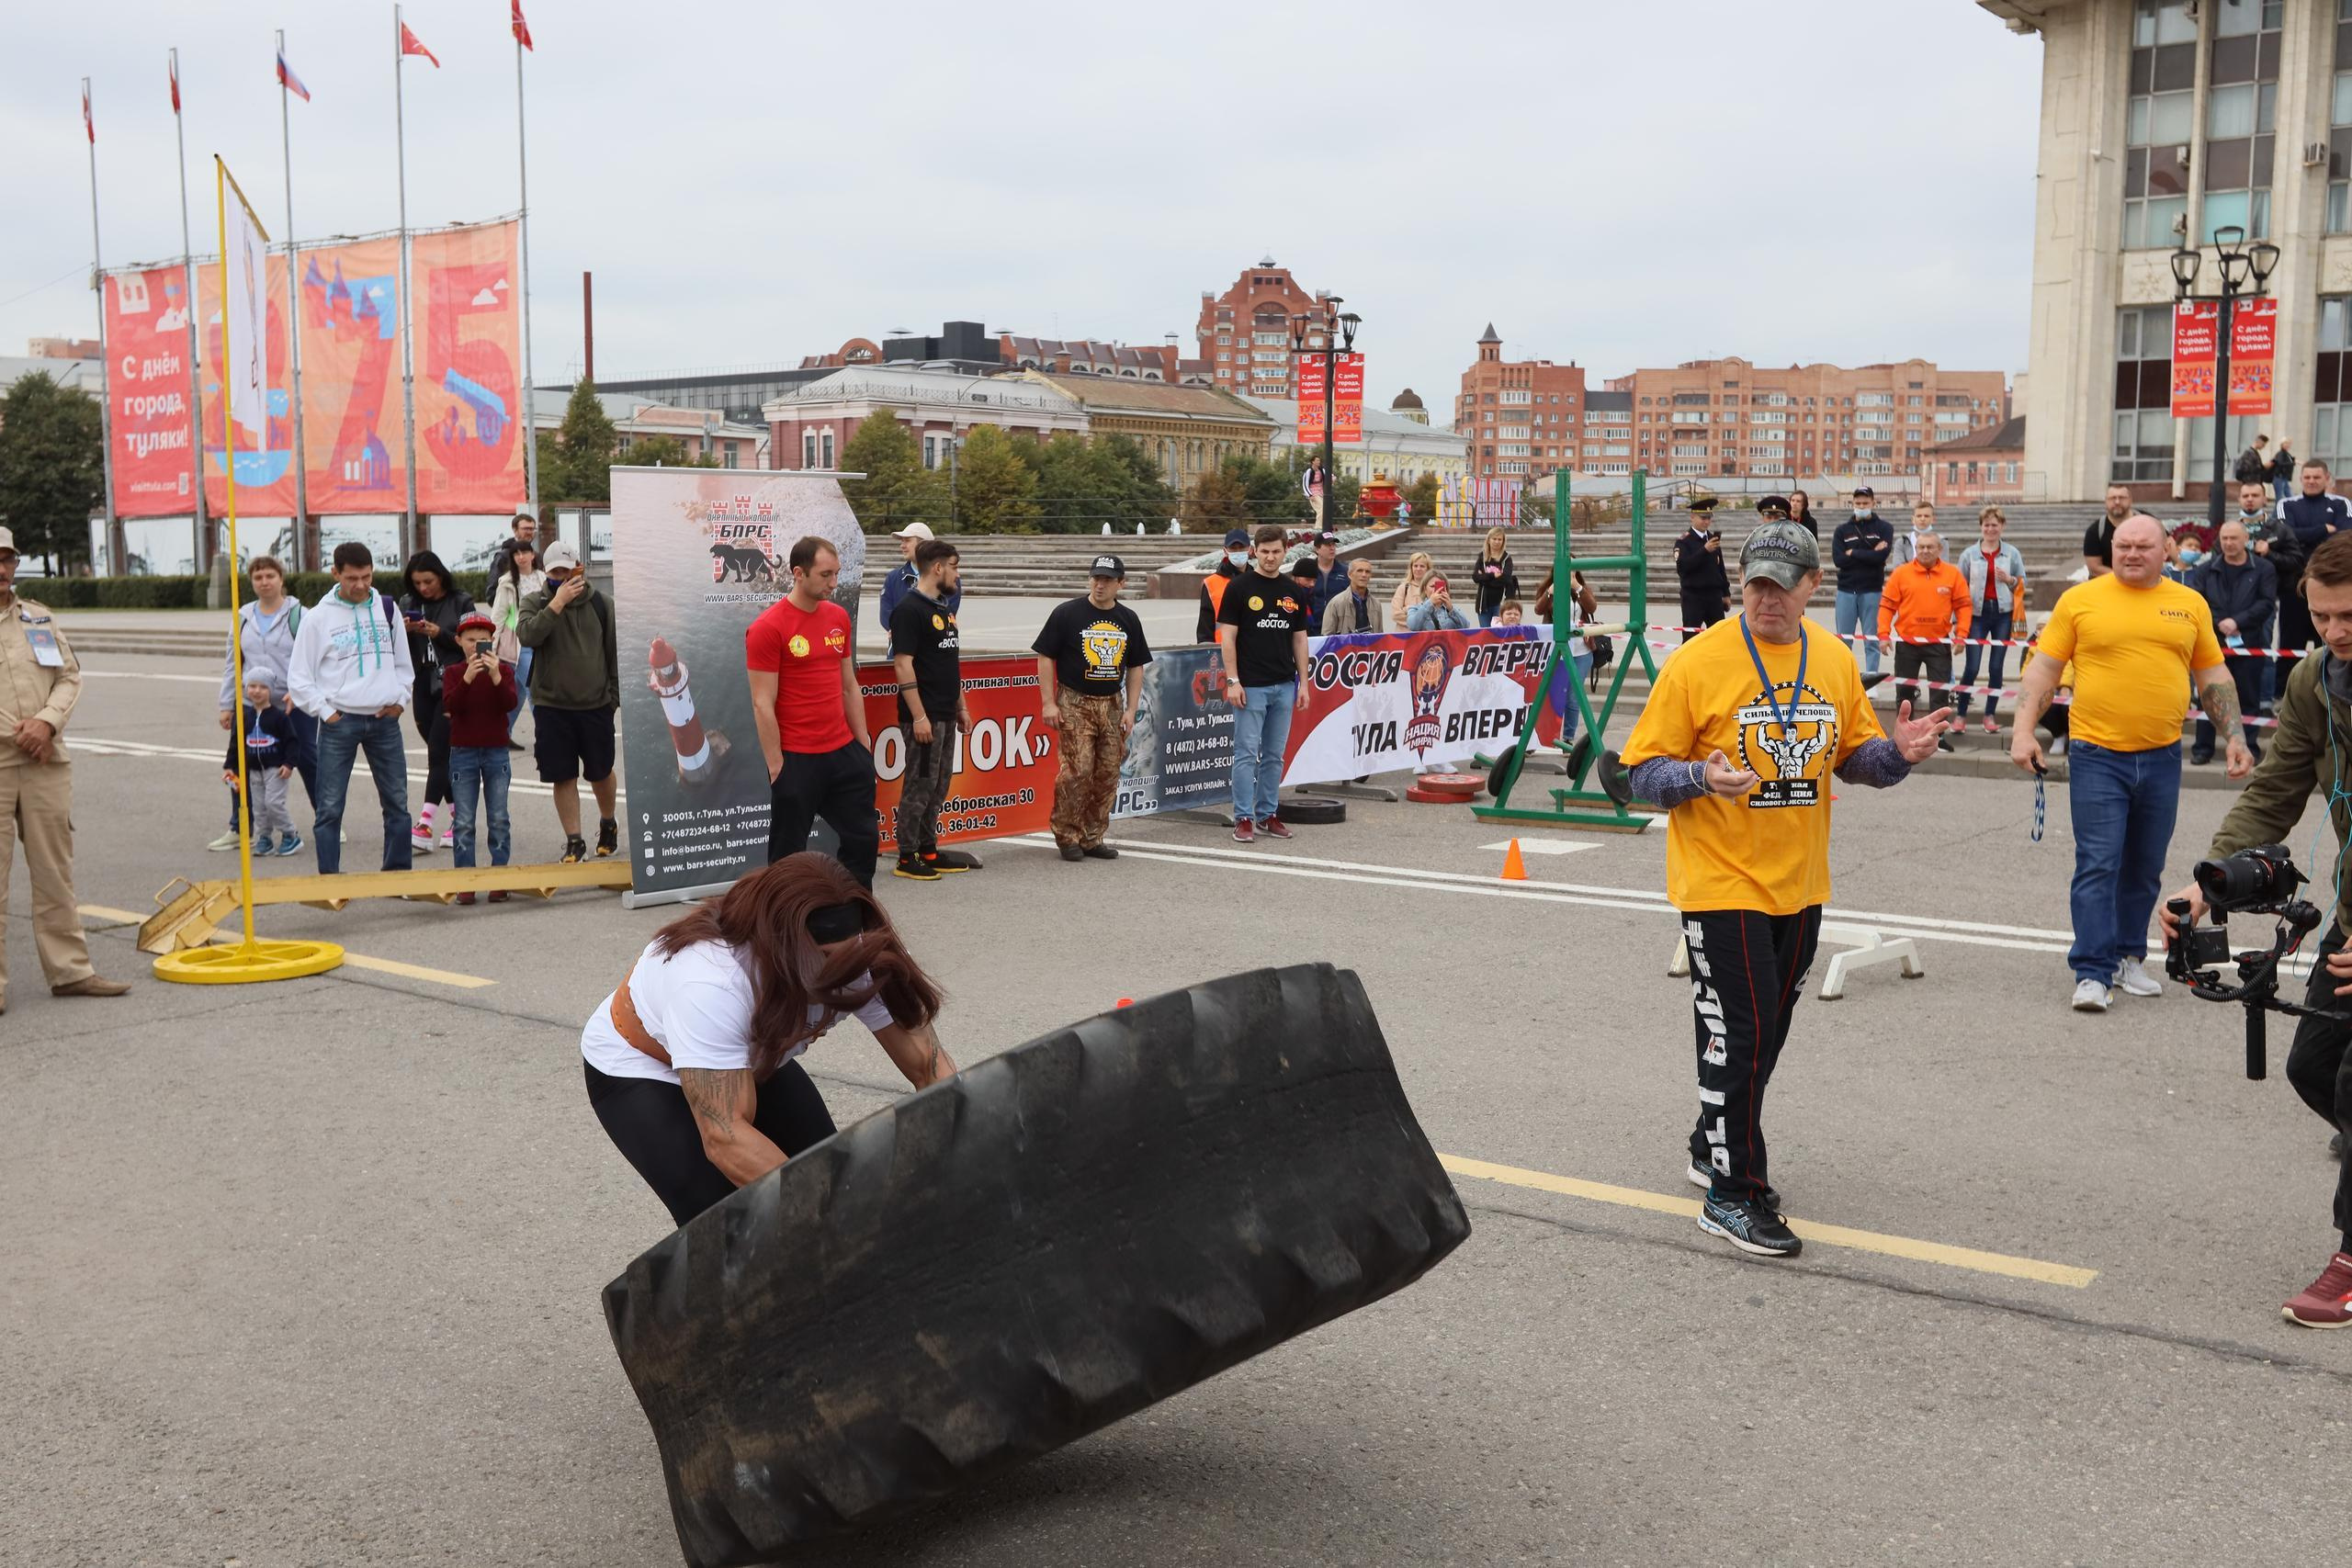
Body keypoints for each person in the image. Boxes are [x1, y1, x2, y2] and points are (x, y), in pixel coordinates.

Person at [1617, 521, 1948, 1259]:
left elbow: (1854, 759)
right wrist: (1703, 776)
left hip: (1799, 882)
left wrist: (1897, 754)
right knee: (1745, 1032)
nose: (1768, 597)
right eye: (1756, 582)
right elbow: (1640, 774)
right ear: (1741, 584)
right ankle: (1731, 1195)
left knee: (1763, 1034)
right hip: (1719, 879)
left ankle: (1712, 1141)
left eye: (1782, 582)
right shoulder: (1697, 662)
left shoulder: (1831, 658)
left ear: (1811, 587)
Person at [2159, 533, 2352, 1325]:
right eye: (2322, 615)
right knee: (2315, 1067)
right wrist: (2208, 882)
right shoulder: (2316, 679)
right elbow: (2276, 788)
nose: (2336, 630)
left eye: (2350, 615)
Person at [580, 853, 955, 1226]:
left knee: (832, 1178)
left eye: (850, 957)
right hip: (641, 1069)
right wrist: (832, 1222)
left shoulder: (867, 955)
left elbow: (928, 1066)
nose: (841, 974)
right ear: (781, 950)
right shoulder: (713, 981)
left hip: (746, 1057)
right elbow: (726, 1135)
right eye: (823, 960)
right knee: (730, 1224)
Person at [2009, 514, 2246, 1013]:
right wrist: (2023, 731)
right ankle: (2092, 971)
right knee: (2099, 863)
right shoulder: (2080, 601)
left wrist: (2234, 737)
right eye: (2123, 546)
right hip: (2098, 755)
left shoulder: (2189, 604)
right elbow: (2044, 671)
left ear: (2167, 553)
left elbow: (2212, 674)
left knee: (2144, 866)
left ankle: (2127, 957)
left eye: (2143, 546)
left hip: (2162, 756)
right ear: (2111, 549)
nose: (2132, 554)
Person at [0, 526, 129, 1014]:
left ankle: (71, 971)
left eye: (7, 559)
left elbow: (68, 676)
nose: (1, 569)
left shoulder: (38, 617)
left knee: (55, 870)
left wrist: (47, 723)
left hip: (44, 759)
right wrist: (20, 729)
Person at [747, 536, 877, 885]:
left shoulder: (837, 617)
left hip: (843, 752)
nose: (834, 583)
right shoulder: (768, 627)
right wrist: (777, 766)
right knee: (788, 859)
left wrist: (862, 745)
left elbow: (849, 685)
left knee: (863, 841)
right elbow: (762, 702)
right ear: (798, 574)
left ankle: (856, 919)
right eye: (825, 575)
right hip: (798, 760)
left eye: (836, 574)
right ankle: (782, 930)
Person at [290, 542, 414, 876]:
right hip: (339, 721)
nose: (360, 585)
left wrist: (400, 701)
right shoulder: (317, 618)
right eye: (351, 578)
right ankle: (331, 880)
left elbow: (404, 665)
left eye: (366, 577)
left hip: (385, 720)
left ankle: (397, 874)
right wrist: (326, 711)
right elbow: (299, 677)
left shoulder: (387, 610)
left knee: (397, 804)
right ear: (335, 574)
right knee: (330, 807)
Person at [1034, 553, 1152, 863]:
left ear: (1121, 584)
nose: (1100, 585)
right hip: (1075, 700)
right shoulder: (1067, 613)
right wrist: (1048, 702)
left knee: (1107, 772)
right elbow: (1046, 656)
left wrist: (1131, 708)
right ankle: (1067, 835)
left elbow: (1136, 665)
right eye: (1096, 578)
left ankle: (1092, 836)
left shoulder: (1128, 619)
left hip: (1112, 703)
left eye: (1108, 580)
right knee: (1077, 770)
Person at [517, 539, 620, 864]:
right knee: (562, 775)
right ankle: (574, 840)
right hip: (551, 706)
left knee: (601, 772)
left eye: (566, 570)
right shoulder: (534, 602)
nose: (561, 577)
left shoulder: (602, 603)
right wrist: (556, 604)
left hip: (595, 705)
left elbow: (613, 653)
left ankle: (608, 822)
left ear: (579, 568)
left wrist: (612, 699)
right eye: (554, 572)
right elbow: (528, 636)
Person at [209, 555, 316, 852]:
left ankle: (327, 818)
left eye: (270, 576)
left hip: (293, 700)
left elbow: (312, 658)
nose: (265, 582)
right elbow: (233, 664)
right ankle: (240, 826)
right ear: (252, 583)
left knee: (308, 759)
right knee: (244, 763)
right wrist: (227, 704)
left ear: (282, 579)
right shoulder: (242, 618)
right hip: (253, 703)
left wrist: (301, 691)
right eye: (258, 577)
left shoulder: (300, 615)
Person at [1216, 524, 1315, 844]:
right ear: (1253, 552)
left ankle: (1267, 814)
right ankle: (1243, 817)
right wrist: (1233, 681)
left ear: (1286, 551)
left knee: (1274, 755)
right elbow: (1227, 638)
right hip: (1250, 686)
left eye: (1276, 551)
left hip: (1284, 685)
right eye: (1264, 551)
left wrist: (1303, 683)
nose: (1270, 557)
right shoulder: (1239, 588)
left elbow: (1300, 640)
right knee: (1246, 754)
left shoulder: (1293, 591)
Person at [887, 538, 971, 883]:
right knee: (919, 784)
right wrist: (919, 716)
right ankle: (906, 856)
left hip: (946, 712)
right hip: (924, 716)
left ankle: (929, 849)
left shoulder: (942, 608)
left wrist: (961, 706)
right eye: (954, 566)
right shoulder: (909, 610)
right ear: (938, 568)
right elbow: (903, 665)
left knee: (939, 784)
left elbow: (949, 663)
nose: (957, 574)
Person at [442, 611, 520, 905]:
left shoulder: (505, 672)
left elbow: (510, 703)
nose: (477, 646)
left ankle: (499, 878)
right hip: (462, 752)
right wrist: (467, 677)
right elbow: (451, 707)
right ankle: (466, 880)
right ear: (459, 641)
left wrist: (497, 675)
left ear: (493, 641)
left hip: (496, 750)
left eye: (484, 641)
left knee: (499, 817)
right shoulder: (452, 673)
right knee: (463, 820)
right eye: (471, 640)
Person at [399, 551, 474, 852]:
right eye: (417, 583)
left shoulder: (461, 601)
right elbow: (395, 646)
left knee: (438, 754)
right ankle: (460, 820)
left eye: (428, 581)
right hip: (422, 685)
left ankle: (425, 823)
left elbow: (471, 640)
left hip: (453, 684)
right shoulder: (408, 604)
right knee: (441, 754)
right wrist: (401, 630)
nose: (423, 588)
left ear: (440, 576)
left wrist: (439, 632)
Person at [2188, 519, 2276, 767]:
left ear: (2245, 539)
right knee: (2208, 695)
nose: (2228, 543)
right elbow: (2199, 602)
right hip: (2213, 643)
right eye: (2224, 538)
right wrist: (2220, 623)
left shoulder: (2263, 568)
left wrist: (2238, 621)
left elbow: (2267, 602)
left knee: (2248, 696)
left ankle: (2248, 746)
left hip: (2250, 642)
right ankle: (2203, 748)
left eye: (2233, 538)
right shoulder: (2206, 569)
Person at [1877, 529, 1969, 750]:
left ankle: (1937, 737)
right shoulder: (1901, 574)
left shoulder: (1952, 574)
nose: (1925, 551)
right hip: (1907, 643)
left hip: (1939, 643)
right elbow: (1887, 606)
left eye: (1930, 547)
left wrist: (1962, 636)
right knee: (1905, 694)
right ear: (1915, 549)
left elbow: (1963, 605)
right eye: (1921, 547)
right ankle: (1903, 736)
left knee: (1940, 694)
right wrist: (1883, 634)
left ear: (1940, 549)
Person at [1951, 506, 2026, 735]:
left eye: (1995, 525)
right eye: (1987, 524)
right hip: (1976, 614)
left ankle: (1989, 715)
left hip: (2002, 613)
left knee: (1996, 667)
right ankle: (1961, 715)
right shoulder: (1969, 554)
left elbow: (2022, 583)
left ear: (2002, 526)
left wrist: (2010, 579)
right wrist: (1956, 621)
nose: (1991, 529)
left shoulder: (2012, 553)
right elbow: (1959, 588)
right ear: (1981, 526)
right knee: (1972, 667)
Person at [221, 674, 300, 854]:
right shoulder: (244, 717)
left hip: (276, 769)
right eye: (252, 686)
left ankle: (290, 834)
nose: (257, 691)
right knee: (258, 807)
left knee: (273, 803)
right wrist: (229, 766)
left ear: (270, 690)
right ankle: (264, 838)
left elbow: (292, 742)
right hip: (254, 771)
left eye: (263, 687)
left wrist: (289, 764)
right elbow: (236, 743)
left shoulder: (279, 717)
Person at [2279, 459, 2349, 654]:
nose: (2311, 481)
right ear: (2300, 479)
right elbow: (2286, 537)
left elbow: (2344, 538)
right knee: (2289, 651)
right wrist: (2323, 529)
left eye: (2316, 477)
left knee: (2329, 650)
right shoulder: (2286, 505)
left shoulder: (2341, 504)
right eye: (2307, 477)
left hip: (2331, 586)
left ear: (2326, 479)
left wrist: (2303, 536)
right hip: (2293, 589)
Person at [489, 536, 545, 750]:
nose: (521, 557)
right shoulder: (508, 583)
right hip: (519, 643)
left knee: (518, 692)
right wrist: (490, 647)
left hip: (541, 640)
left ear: (533, 555)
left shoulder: (543, 579)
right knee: (534, 689)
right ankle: (545, 735)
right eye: (516, 554)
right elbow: (498, 615)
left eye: (524, 552)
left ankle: (501, 733)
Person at [1831, 487, 1894, 675]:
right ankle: (1844, 676)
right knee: (1844, 640)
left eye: (1865, 503)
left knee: (1871, 638)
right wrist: (1870, 553)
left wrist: (1854, 553)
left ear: (1873, 503)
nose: (1861, 506)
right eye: (1858, 503)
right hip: (1846, 590)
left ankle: (1872, 677)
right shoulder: (1842, 530)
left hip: (1872, 590)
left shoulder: (1884, 528)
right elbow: (1839, 560)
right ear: (1853, 504)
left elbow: (1881, 557)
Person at [877, 521, 960, 653]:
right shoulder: (893, 578)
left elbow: (948, 613)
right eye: (902, 541)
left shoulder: (948, 578)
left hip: (934, 653)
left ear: (923, 545)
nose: (902, 546)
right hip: (900, 652)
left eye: (907, 541)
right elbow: (886, 612)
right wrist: (900, 630)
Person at [1672, 497, 1729, 638]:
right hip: (1693, 596)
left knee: (1718, 637)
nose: (1707, 521)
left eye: (1709, 518)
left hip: (1714, 596)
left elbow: (1720, 567)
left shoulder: (1711, 538)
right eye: (1703, 518)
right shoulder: (1684, 541)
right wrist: (1704, 550)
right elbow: (1683, 568)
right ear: (1692, 517)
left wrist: (1726, 593)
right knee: (1690, 638)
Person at [1196, 527, 1252, 643]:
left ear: (1250, 549)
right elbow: (1205, 627)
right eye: (1233, 548)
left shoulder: (1257, 580)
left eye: (1241, 548)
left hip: (1253, 652)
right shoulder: (1211, 583)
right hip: (1221, 652)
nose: (1238, 552)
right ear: (1225, 551)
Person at [1469, 526, 1519, 627]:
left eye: (1499, 539)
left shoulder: (1506, 559)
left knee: (1498, 634)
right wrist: (1493, 575)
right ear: (1488, 540)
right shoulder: (1482, 557)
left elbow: (1505, 579)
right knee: (1486, 634)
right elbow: (1475, 577)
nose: (1497, 542)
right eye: (1494, 539)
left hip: (1499, 603)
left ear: (1503, 541)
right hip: (1483, 603)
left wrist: (1484, 578)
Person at [1321, 558, 1383, 635]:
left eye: (1367, 572)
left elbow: (1380, 635)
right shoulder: (1336, 603)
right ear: (1350, 574)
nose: (1364, 575)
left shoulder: (1376, 604)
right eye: (1359, 571)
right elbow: (1327, 636)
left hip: (1369, 646)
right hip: (1345, 646)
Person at [2084, 481, 2132, 579]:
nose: (2117, 502)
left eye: (2122, 498)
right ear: (2106, 501)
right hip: (2108, 583)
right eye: (2112, 498)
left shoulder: (2149, 522)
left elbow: (2168, 544)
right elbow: (2094, 568)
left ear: (2131, 500)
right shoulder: (2095, 531)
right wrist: (2125, 577)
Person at [486, 508, 537, 589]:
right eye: (525, 529)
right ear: (515, 530)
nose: (529, 532)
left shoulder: (537, 556)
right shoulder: (503, 557)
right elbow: (492, 590)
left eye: (532, 529)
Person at [1407, 573, 1473, 632]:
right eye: (1432, 586)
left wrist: (1451, 609)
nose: (1436, 590)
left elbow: (1466, 626)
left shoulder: (1451, 609)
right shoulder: (1415, 608)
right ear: (1425, 589)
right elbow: (1413, 626)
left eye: (1439, 587)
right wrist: (1430, 603)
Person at [1308, 531, 1350, 621]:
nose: (1332, 548)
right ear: (1317, 549)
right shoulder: (1308, 571)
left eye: (1333, 545)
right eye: (1328, 545)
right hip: (1313, 627)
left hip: (1339, 627)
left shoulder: (1345, 571)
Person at [1388, 550, 1435, 626]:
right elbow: (1395, 614)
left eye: (1422, 566)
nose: (1418, 569)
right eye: (1415, 566)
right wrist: (1417, 622)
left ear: (1428, 569)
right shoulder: (1403, 588)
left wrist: (1407, 609)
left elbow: (1437, 614)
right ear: (1411, 568)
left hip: (1425, 635)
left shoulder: (1432, 589)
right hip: (1405, 635)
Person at [1887, 501, 1937, 570]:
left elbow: (1942, 569)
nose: (1922, 519)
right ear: (1913, 519)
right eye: (1919, 516)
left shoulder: (1941, 541)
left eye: (1926, 516)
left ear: (1933, 519)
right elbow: (1898, 568)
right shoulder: (1901, 542)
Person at [2271, 434, 2299, 503]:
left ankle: (2295, 512)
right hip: (2279, 478)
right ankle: (2276, 514)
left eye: (2289, 444)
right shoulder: (2281, 453)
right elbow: (2280, 463)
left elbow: (2290, 460)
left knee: (2290, 497)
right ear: (2282, 444)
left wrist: (2295, 461)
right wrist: (2292, 463)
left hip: (2284, 478)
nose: (2288, 445)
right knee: (2280, 499)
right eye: (2286, 443)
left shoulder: (2286, 454)